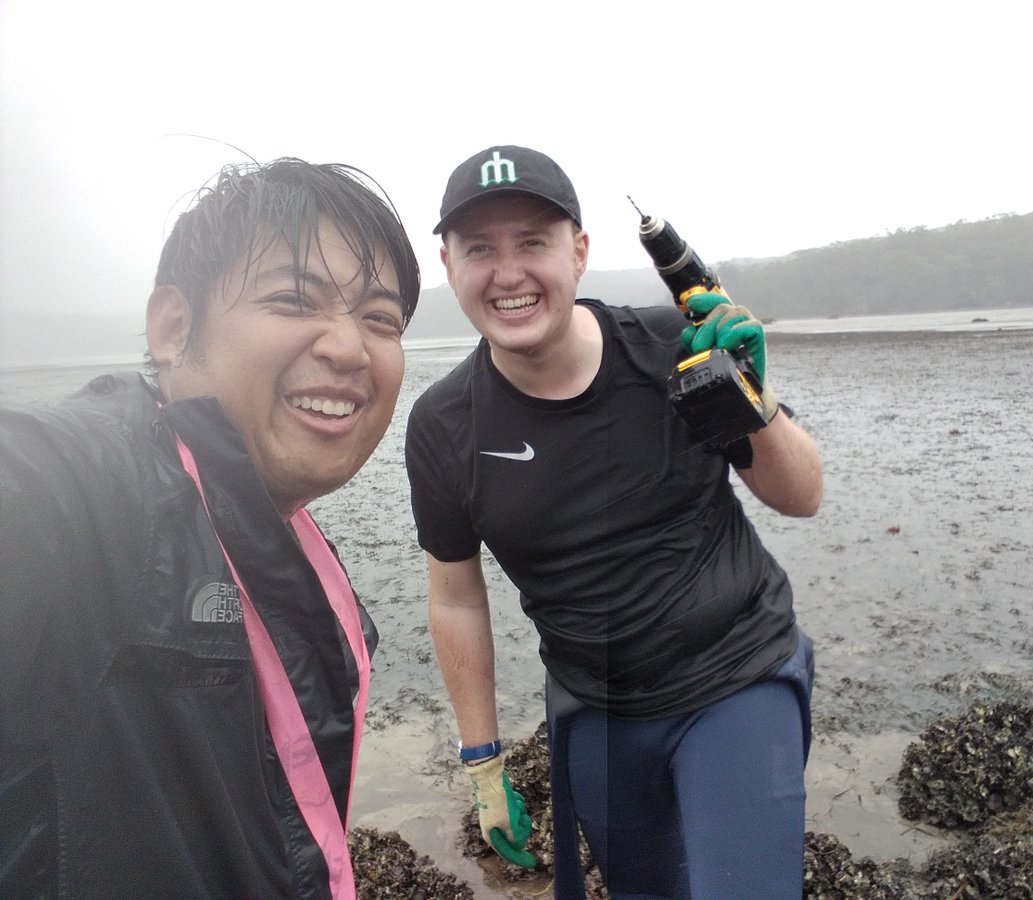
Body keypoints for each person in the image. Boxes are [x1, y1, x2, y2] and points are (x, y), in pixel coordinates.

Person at [405, 145, 823, 899]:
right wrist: (484, 764)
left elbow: (802, 496)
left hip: (738, 673)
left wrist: (752, 401)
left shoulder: (671, 349)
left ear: (579, 251)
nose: (508, 273)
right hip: (596, 710)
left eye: (532, 242)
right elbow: (456, 597)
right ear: (449, 266)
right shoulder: (444, 424)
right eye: (479, 250)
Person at [0, 157, 420, 898]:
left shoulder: (284, 538)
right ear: (173, 328)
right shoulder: (94, 497)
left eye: (380, 319)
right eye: (294, 299)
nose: (350, 347)